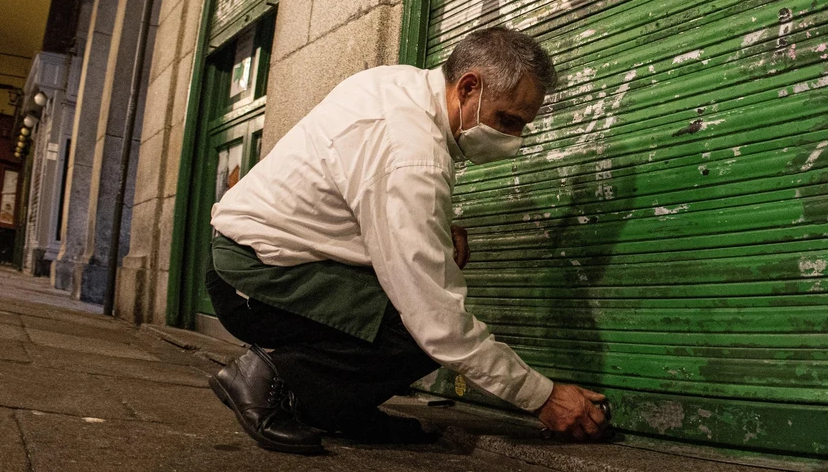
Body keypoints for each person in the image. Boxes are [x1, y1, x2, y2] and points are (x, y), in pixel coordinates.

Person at [204, 25, 612, 454]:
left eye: (521, 126)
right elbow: (437, 323)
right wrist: (542, 396)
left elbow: (352, 193)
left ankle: (332, 408)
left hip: (260, 255)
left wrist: (430, 227)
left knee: (416, 304)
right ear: (468, 87)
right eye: (508, 121)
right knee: (418, 330)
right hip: (250, 276)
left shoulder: (398, 87)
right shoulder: (411, 154)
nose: (514, 139)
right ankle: (267, 380)